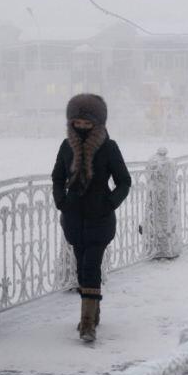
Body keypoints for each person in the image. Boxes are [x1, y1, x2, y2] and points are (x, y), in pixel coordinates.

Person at [51, 93, 131, 343]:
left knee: (91, 266)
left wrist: (109, 203)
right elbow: (56, 177)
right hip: (74, 218)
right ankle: (93, 311)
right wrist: (61, 201)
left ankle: (87, 324)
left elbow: (124, 181)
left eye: (87, 123)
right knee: (80, 267)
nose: (82, 127)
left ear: (98, 123)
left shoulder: (109, 147)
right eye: (78, 123)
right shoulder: (66, 147)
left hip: (99, 218)